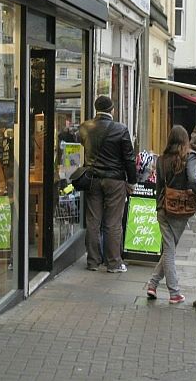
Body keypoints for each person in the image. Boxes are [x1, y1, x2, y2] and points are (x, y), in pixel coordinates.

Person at [145, 125, 196, 304]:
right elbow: (192, 180)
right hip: (181, 209)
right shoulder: (189, 156)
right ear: (185, 139)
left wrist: (158, 207)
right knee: (170, 250)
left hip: (164, 207)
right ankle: (174, 293)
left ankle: (152, 284)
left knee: (168, 249)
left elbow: (159, 186)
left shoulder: (161, 159)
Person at [79, 95, 136, 272]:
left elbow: (84, 146)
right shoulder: (121, 129)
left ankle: (93, 261)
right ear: (112, 110)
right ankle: (113, 262)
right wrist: (132, 181)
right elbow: (129, 158)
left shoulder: (85, 127)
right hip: (115, 180)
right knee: (113, 222)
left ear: (96, 109)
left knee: (93, 221)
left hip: (92, 179)